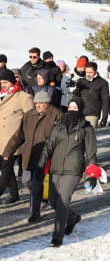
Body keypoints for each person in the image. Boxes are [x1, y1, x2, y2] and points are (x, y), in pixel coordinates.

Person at [36, 98, 98, 247]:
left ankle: (57, 237)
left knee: (63, 202)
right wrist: (40, 167)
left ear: (81, 109)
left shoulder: (86, 128)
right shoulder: (59, 125)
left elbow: (91, 153)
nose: (71, 109)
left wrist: (93, 175)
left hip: (73, 169)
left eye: (75, 107)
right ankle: (72, 219)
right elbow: (48, 147)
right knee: (53, 201)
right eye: (70, 106)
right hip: (56, 168)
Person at [2, 90, 63, 222]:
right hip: (29, 155)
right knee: (26, 180)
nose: (38, 105)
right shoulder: (29, 115)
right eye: (36, 103)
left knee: (36, 183)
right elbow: (19, 136)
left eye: (41, 103)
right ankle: (41, 196)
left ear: (47, 103)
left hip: (46, 156)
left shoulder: (57, 114)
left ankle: (34, 212)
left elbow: (63, 138)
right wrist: (8, 152)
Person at [0, 68, 34, 205]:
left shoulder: (24, 97)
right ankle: (14, 194)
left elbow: (31, 119)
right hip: (1, 139)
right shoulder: (1, 95)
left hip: (14, 140)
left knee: (7, 167)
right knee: (3, 167)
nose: (2, 85)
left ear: (13, 81)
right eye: (1, 82)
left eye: (5, 82)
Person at [78, 62, 110, 130]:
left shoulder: (102, 83)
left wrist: (104, 117)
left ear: (95, 71)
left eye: (90, 72)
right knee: (78, 138)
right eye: (86, 72)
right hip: (80, 113)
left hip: (93, 113)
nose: (88, 74)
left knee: (89, 137)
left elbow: (105, 101)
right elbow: (77, 98)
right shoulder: (81, 81)